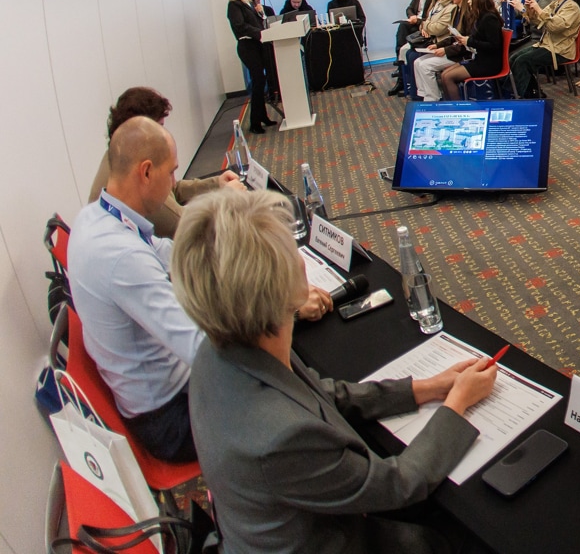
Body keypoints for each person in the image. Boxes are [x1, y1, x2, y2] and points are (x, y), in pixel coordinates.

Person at [173, 190, 494, 554]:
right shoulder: (281, 438)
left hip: (273, 523)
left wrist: (426, 388)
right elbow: (397, 485)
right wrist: (456, 404)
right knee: (445, 540)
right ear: (274, 287)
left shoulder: (221, 348)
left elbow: (318, 393)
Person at [70, 118, 330, 464]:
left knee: (289, 364)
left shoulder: (96, 217)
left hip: (163, 389)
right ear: (145, 172)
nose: (173, 183)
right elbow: (204, 350)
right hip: (170, 420)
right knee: (298, 398)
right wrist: (283, 307)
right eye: (171, 173)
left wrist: (255, 265)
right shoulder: (122, 259)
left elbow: (175, 256)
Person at [89, 88, 244, 239]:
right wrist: (224, 198)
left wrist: (216, 184)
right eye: (159, 128)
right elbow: (186, 226)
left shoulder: (119, 155)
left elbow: (171, 188)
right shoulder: (138, 182)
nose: (163, 135)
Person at [511, 0, 580, 98]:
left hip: (560, 49)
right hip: (547, 44)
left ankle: (532, 95)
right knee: (514, 58)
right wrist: (529, 9)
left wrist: (538, 9)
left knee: (522, 61)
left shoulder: (572, 7)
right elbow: (538, 22)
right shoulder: (555, 4)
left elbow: (555, 26)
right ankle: (527, 91)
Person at [438, 0, 507, 101]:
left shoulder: (489, 18)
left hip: (489, 64)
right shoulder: (480, 17)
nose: (468, 1)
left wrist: (469, 41)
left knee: (448, 77)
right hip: (479, 59)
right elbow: (478, 40)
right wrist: (465, 41)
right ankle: (451, 105)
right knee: (444, 74)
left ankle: (458, 108)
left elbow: (494, 45)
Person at [228, 0, 274, 133]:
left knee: (261, 81)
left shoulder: (247, 4)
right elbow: (241, 26)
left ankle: (263, 116)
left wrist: (261, 14)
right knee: (258, 81)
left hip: (257, 45)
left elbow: (257, 23)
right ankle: (255, 122)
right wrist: (260, 33)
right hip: (247, 46)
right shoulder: (234, 5)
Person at [413, 0, 472, 100]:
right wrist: (438, 45)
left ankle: (432, 99)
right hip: (453, 49)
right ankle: (424, 96)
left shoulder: (468, 13)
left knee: (425, 66)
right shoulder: (456, 10)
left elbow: (465, 43)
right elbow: (452, 36)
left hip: (461, 54)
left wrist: (445, 50)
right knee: (417, 62)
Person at [402, 0, 457, 100]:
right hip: (436, 41)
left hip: (445, 45)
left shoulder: (452, 8)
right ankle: (421, 95)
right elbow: (428, 23)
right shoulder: (438, 4)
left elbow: (437, 28)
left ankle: (432, 98)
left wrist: (423, 24)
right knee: (415, 59)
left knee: (418, 60)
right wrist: (425, 25)